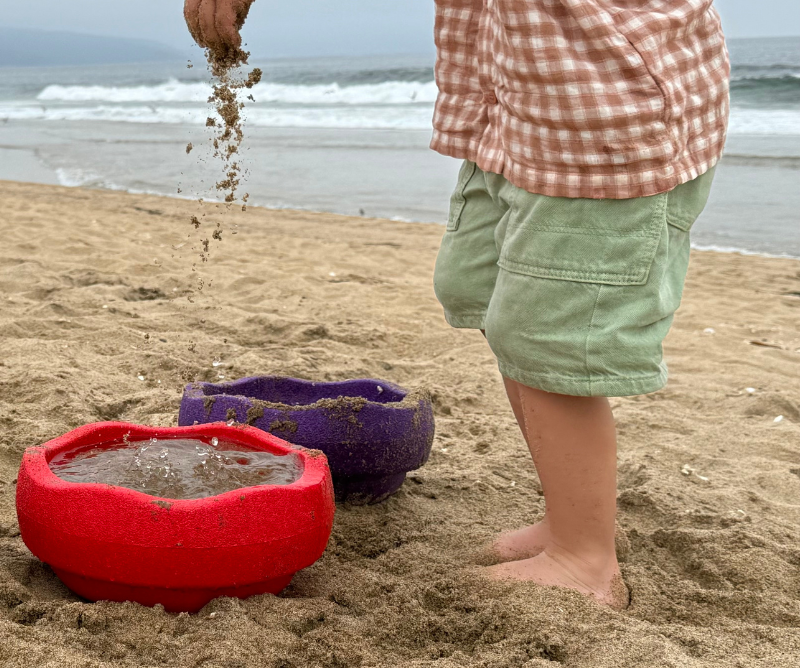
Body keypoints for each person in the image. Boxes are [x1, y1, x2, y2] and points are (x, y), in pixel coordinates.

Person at [183, 0, 730, 608]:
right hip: (520, 107)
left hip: (606, 115)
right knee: (494, 300)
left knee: (548, 337)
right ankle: (570, 516)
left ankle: (586, 557)